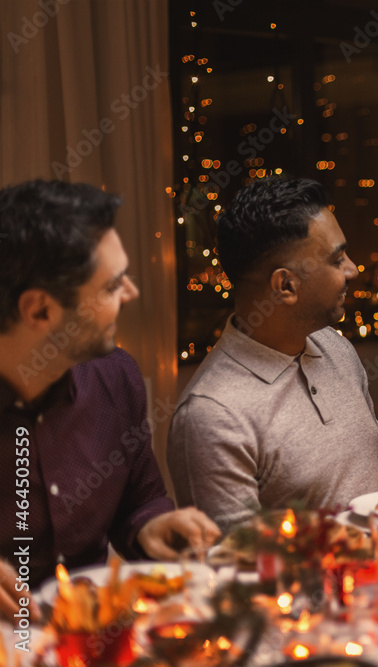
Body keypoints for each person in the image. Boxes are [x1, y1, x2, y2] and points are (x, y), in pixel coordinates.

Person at [0, 180, 219, 622]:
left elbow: (140, 501)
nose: (131, 293)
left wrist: (151, 525)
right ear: (40, 310)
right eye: (112, 284)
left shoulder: (116, 378)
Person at [167, 178, 378, 533]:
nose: (353, 269)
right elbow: (236, 567)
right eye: (337, 260)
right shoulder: (212, 415)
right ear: (285, 286)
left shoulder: (336, 347)